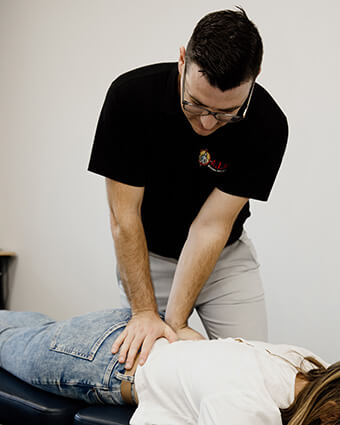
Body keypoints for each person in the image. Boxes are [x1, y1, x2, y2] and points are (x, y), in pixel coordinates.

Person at [88, 7, 289, 370]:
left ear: (254, 78)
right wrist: (147, 313)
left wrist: (178, 324)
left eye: (227, 113)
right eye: (195, 104)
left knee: (252, 369)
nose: (209, 122)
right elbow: (124, 218)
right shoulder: (131, 99)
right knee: (149, 370)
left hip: (224, 259)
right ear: (183, 60)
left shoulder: (268, 124)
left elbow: (211, 226)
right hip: (149, 255)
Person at [0, 308, 340, 425]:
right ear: (330, 415)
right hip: (105, 362)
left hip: (132, 334)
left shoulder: (307, 367)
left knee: (24, 324)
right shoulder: (246, 407)